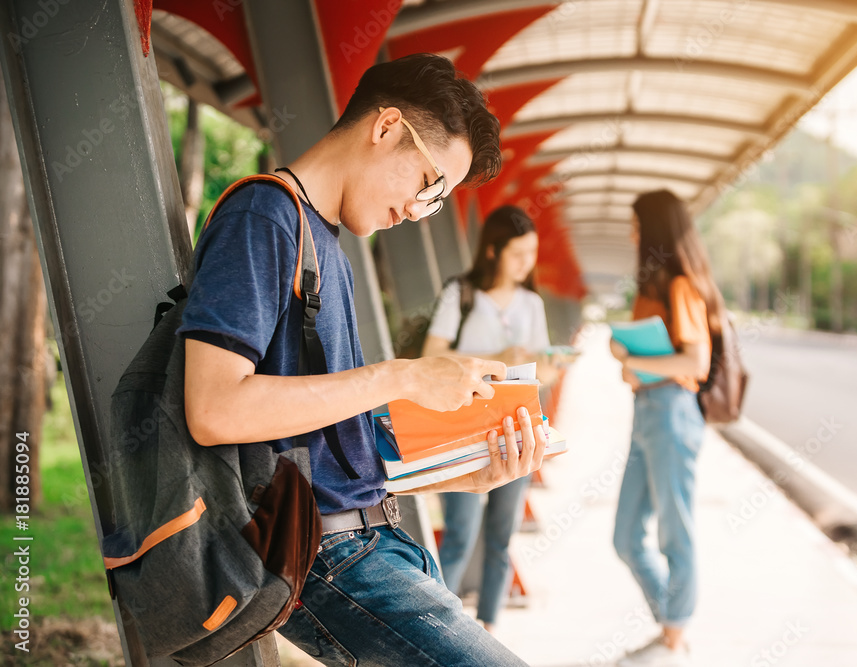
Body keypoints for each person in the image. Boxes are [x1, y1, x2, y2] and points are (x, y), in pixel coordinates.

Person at [177, 53, 548, 667]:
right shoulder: (263, 218)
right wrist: (401, 374)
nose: (417, 210)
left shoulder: (326, 245)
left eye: (436, 202)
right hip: (324, 553)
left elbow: (328, 449)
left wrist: (467, 471)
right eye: (430, 186)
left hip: (376, 543)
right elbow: (213, 408)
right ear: (386, 127)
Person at [422, 204, 553, 633]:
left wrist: (552, 364)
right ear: (493, 251)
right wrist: (498, 359)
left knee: (501, 535)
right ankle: (441, 626)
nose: (526, 263)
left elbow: (543, 369)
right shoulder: (461, 293)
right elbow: (431, 357)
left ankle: (488, 628)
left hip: (516, 428)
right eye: (518, 254)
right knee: (460, 532)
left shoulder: (532, 304)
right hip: (462, 431)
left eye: (531, 253)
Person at [609, 189, 724, 667]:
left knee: (675, 533)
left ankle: (674, 637)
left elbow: (696, 360)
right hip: (649, 412)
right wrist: (631, 363)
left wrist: (632, 359)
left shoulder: (680, 286)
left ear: (655, 230)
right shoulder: (652, 288)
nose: (633, 236)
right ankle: (672, 625)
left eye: (638, 226)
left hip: (673, 412)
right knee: (625, 536)